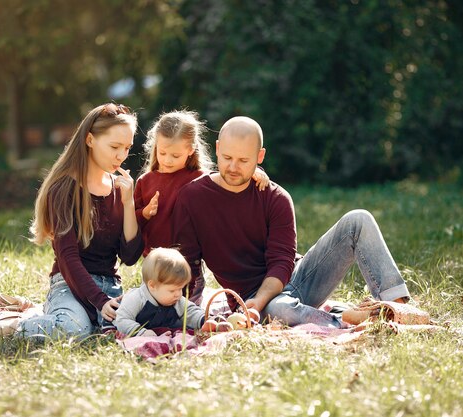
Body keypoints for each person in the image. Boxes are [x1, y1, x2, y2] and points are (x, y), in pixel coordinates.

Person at [172, 116, 411, 328]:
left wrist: (264, 298)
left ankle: (399, 307)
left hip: (297, 278)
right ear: (217, 149)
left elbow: (281, 262)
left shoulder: (276, 198)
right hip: (251, 300)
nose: (233, 167)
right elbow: (188, 263)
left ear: (260, 156)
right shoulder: (192, 198)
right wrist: (184, 312)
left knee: (358, 219)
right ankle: (346, 319)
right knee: (280, 310)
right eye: (227, 157)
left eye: (243, 160)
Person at [18, 103, 144, 341]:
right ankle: (17, 327)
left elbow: (129, 257)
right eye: (114, 146)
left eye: (127, 148)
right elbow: (68, 258)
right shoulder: (64, 189)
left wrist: (129, 205)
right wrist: (100, 301)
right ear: (89, 140)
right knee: (74, 330)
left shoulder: (119, 189)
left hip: (110, 286)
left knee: (146, 323)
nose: (121, 156)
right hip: (70, 286)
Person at [134, 110, 269, 300]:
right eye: (162, 152)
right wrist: (145, 213)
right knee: (152, 311)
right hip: (154, 266)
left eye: (175, 155)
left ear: (190, 150)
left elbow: (228, 180)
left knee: (188, 315)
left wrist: (257, 171)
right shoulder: (145, 181)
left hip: (189, 267)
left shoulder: (199, 180)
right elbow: (132, 223)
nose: (167, 160)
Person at [113, 247, 205, 337]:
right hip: (142, 331)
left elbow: (190, 312)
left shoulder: (176, 299)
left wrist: (203, 319)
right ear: (152, 286)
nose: (178, 294)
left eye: (180, 288)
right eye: (172, 290)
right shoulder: (136, 298)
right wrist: (140, 332)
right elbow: (122, 319)